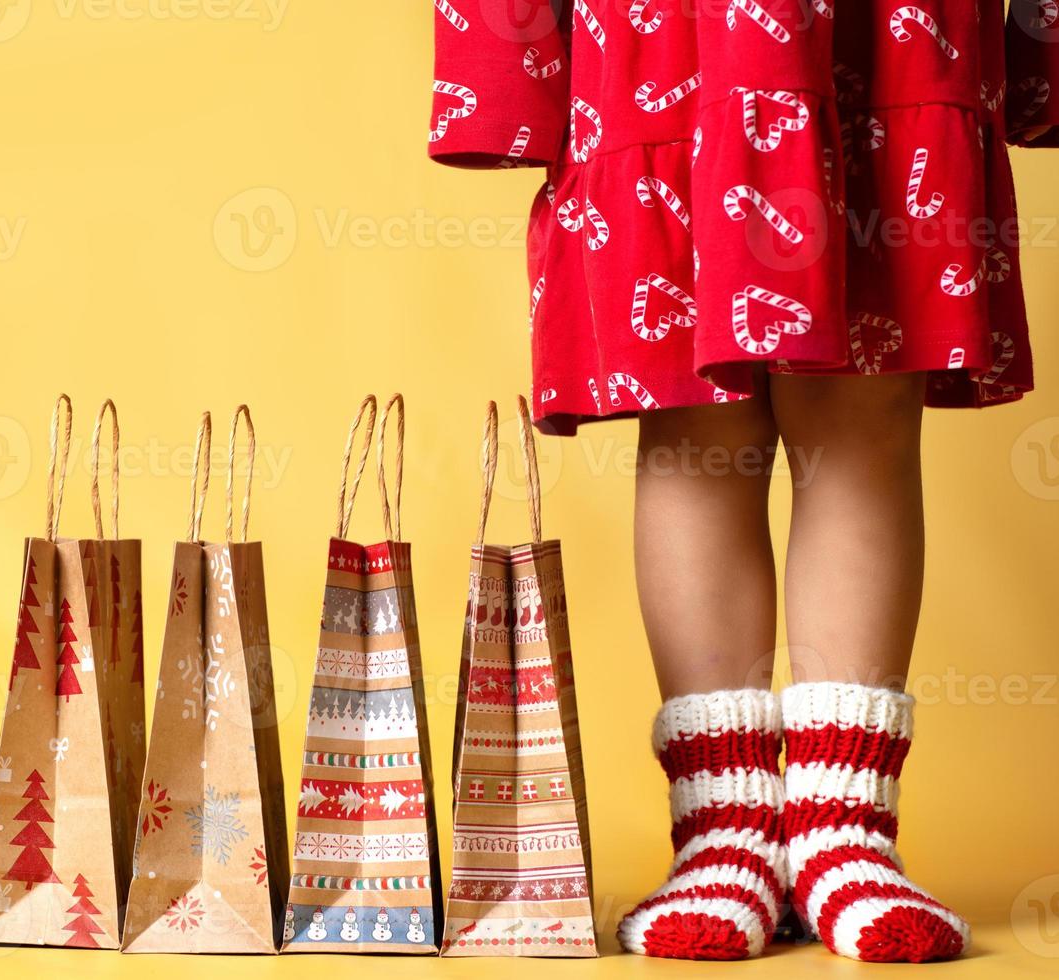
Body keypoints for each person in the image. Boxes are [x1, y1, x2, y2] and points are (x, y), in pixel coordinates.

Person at [429, 0, 1056, 962]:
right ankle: (724, 825)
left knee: (864, 410)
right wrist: (500, 71)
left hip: (888, 28)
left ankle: (844, 826)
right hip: (669, 34)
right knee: (691, 418)